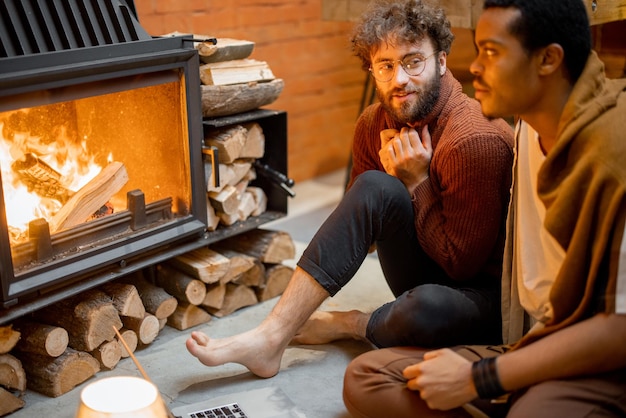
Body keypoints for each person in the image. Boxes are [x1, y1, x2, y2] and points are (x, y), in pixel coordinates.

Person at [185, 0, 514, 379]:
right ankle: (271, 336)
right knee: (374, 186)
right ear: (372, 71)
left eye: (412, 62)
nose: (399, 80)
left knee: (425, 308)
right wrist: (384, 196)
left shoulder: (473, 139)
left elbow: (462, 266)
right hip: (425, 266)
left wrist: (416, 181)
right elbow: (364, 232)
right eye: (386, 66)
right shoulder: (374, 122)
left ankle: (349, 324)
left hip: (478, 296)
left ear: (441, 62)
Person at [342, 0, 626, 417]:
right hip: (533, 336)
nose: (473, 68)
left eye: (491, 52)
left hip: (600, 361)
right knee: (364, 378)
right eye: (477, 51)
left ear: (548, 59)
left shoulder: (611, 156)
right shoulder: (531, 127)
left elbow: (619, 332)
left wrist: (483, 378)